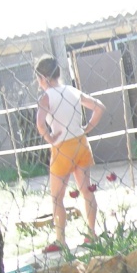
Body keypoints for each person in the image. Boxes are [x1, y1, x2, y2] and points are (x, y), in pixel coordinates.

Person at [34, 55, 106, 252]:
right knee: (86, 191)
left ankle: (61, 240)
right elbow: (99, 107)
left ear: (43, 78)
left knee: (57, 197)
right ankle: (92, 234)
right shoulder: (72, 90)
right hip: (81, 144)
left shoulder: (46, 97)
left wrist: (49, 137)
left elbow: (40, 123)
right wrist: (87, 127)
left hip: (62, 147)